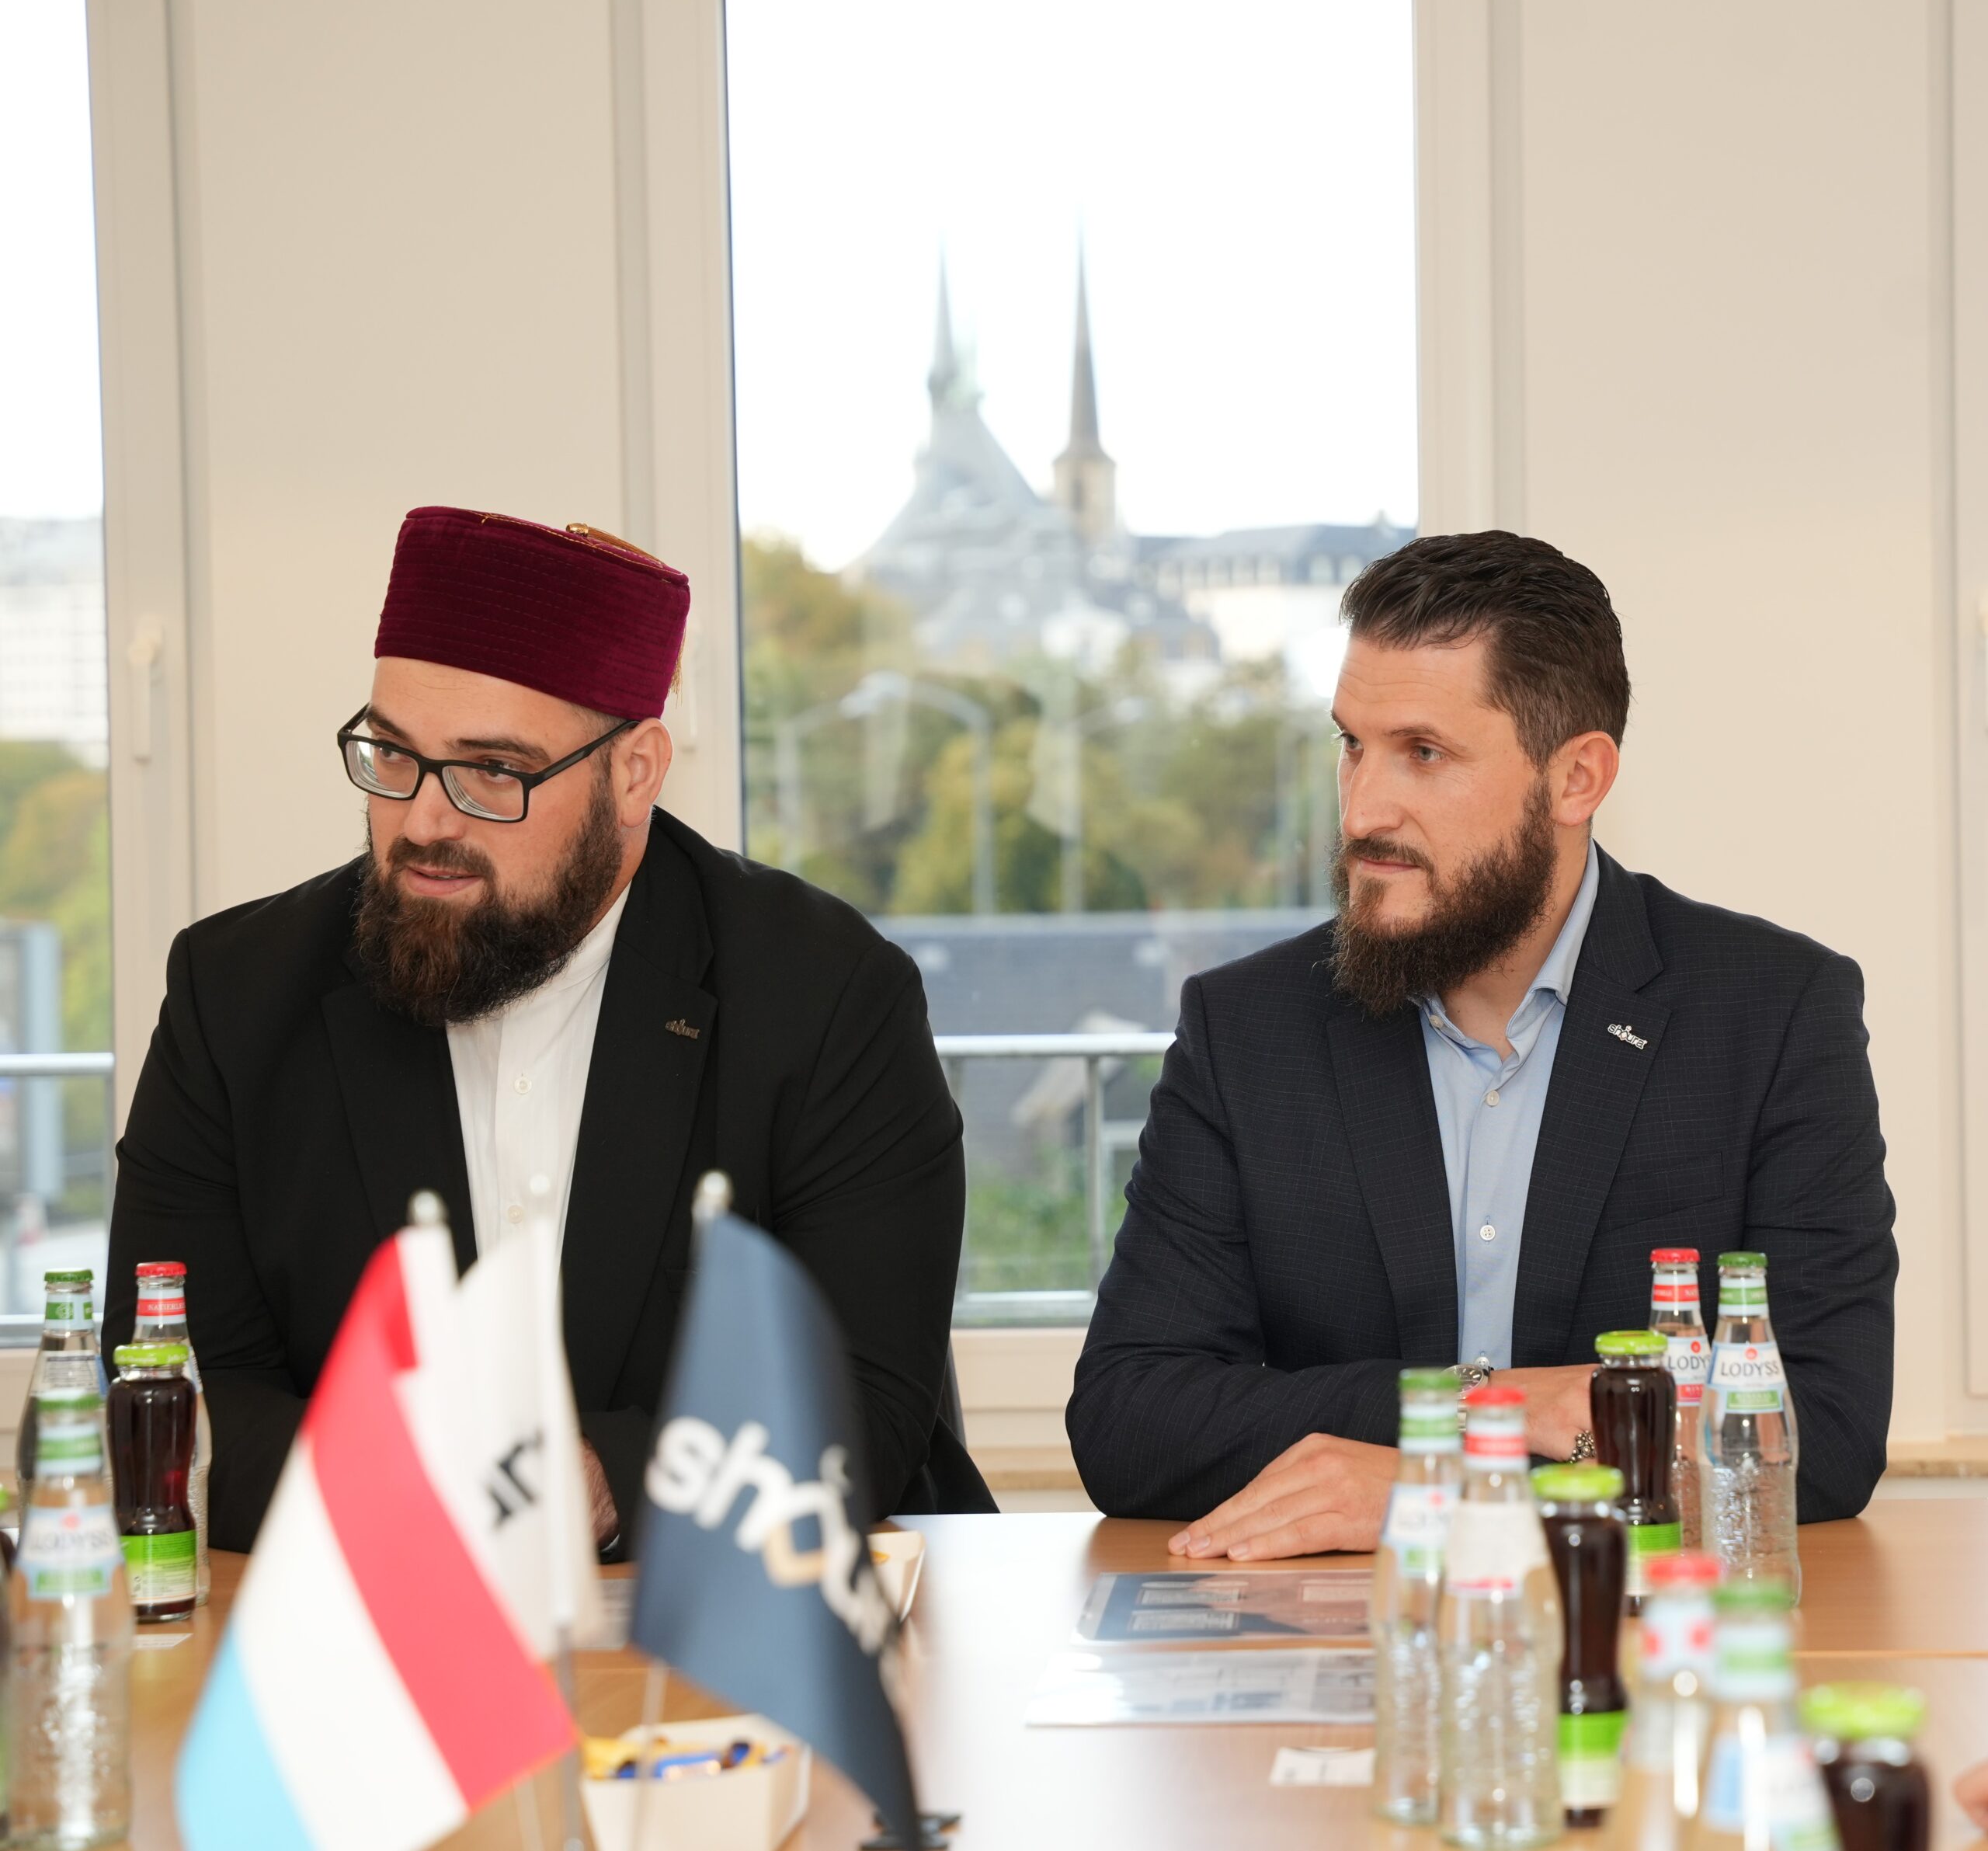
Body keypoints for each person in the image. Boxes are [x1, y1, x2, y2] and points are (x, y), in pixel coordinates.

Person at [103, 505, 982, 1552]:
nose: (424, 821)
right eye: (393, 755)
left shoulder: (827, 996)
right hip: (366, 1613)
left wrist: (600, 1480)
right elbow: (170, 1398)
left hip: (721, 1609)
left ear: (634, 772)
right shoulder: (235, 996)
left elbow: (861, 1405)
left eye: (493, 771)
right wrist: (444, 1485)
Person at [1068, 530, 1896, 1559]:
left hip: (1634, 1628)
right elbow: (1131, 1416)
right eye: (1352, 745)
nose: (1363, 808)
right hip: (1336, 1628)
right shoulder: (1246, 1030)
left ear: (1577, 778)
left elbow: (1826, 1430)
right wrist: (1487, 1406)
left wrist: (1444, 1497)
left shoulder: (1771, 1014)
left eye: (1424, 753)